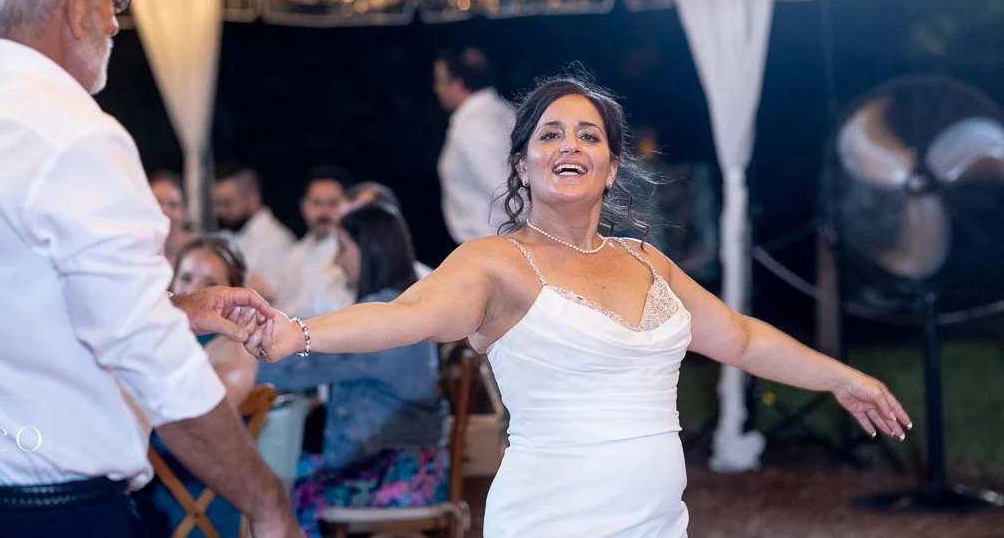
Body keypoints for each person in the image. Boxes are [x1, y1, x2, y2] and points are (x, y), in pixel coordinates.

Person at [251, 74, 911, 538]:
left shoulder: (645, 260)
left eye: (588, 136)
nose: (570, 145)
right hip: (551, 518)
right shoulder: (494, 262)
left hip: (658, 522)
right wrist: (293, 333)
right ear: (519, 166)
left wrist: (840, 376)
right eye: (550, 135)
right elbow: (405, 315)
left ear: (611, 166)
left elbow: (737, 338)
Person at [0, 0, 299, 537]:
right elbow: (154, 370)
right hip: (44, 516)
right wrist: (267, 502)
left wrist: (181, 307)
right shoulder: (79, 138)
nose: (115, 22)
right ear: (77, 5)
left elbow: (2, 306)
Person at [256, 203, 447, 537]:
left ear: (370, 250)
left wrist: (232, 358)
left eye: (343, 248)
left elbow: (303, 366)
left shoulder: (385, 318)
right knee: (276, 482)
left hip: (392, 472)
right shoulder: (400, 305)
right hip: (400, 462)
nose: (337, 259)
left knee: (268, 497)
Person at [143, 235, 259, 538]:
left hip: (195, 495)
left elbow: (200, 407)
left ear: (233, 294)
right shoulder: (154, 336)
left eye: (207, 284)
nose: (192, 292)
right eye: (185, 278)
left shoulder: (233, 345)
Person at [433, 46, 516, 243]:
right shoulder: (503, 112)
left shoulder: (474, 126)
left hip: (494, 250)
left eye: (439, 81)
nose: (436, 89)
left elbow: (506, 191)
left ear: (458, 83)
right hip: (501, 247)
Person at [272, 166, 353, 317]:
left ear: (347, 206)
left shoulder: (351, 252)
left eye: (332, 203)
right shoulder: (294, 254)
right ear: (304, 206)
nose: (324, 212)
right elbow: (280, 301)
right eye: (317, 203)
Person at [213, 164, 296, 284]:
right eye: (216, 203)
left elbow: (275, 297)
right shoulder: (224, 235)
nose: (219, 211)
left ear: (252, 198)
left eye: (227, 203)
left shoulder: (277, 241)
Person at [149, 170, 196, 264]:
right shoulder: (133, 249)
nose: (165, 211)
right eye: (158, 203)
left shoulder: (200, 250)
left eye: (173, 205)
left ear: (185, 213)